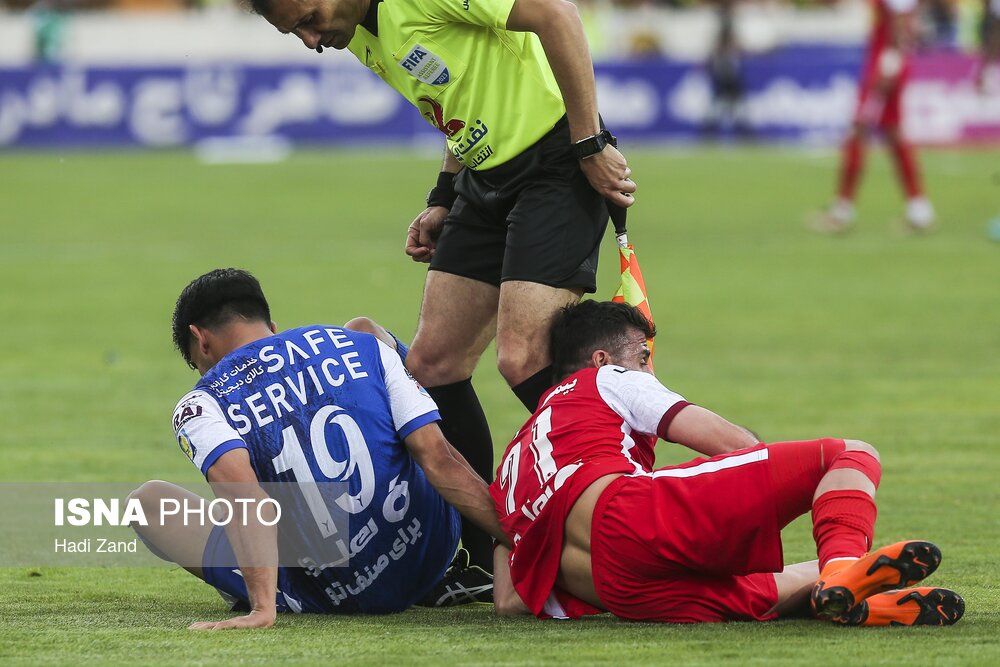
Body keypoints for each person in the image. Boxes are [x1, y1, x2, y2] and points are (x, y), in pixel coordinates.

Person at [246, 0, 636, 571]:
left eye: (307, 18)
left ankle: (633, 503)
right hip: (485, 179)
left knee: (522, 359)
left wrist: (588, 143)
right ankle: (482, 556)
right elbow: (461, 97)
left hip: (555, 164)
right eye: (295, 33)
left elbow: (559, 15)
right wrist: (444, 194)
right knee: (433, 365)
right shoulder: (355, 29)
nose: (310, 39)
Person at [489, 300, 964, 626]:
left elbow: (510, 601)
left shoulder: (514, 456)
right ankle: (844, 572)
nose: (649, 369)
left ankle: (857, 599)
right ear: (602, 357)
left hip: (616, 590)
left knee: (768, 587)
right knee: (848, 455)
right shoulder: (609, 377)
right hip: (626, 516)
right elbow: (736, 446)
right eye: (643, 356)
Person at [130, 268, 507, 630]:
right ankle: (477, 559)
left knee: (147, 503)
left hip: (336, 593)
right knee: (372, 335)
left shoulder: (202, 403)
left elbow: (247, 498)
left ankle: (273, 594)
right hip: (430, 549)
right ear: (270, 327)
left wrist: (261, 609)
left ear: (201, 340)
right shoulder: (357, 344)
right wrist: (521, 539)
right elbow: (438, 457)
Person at [811, 0, 934, 233]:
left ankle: (841, 212)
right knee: (893, 133)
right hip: (886, 63)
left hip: (885, 66)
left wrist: (890, 65)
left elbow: (901, 24)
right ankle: (920, 211)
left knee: (859, 130)